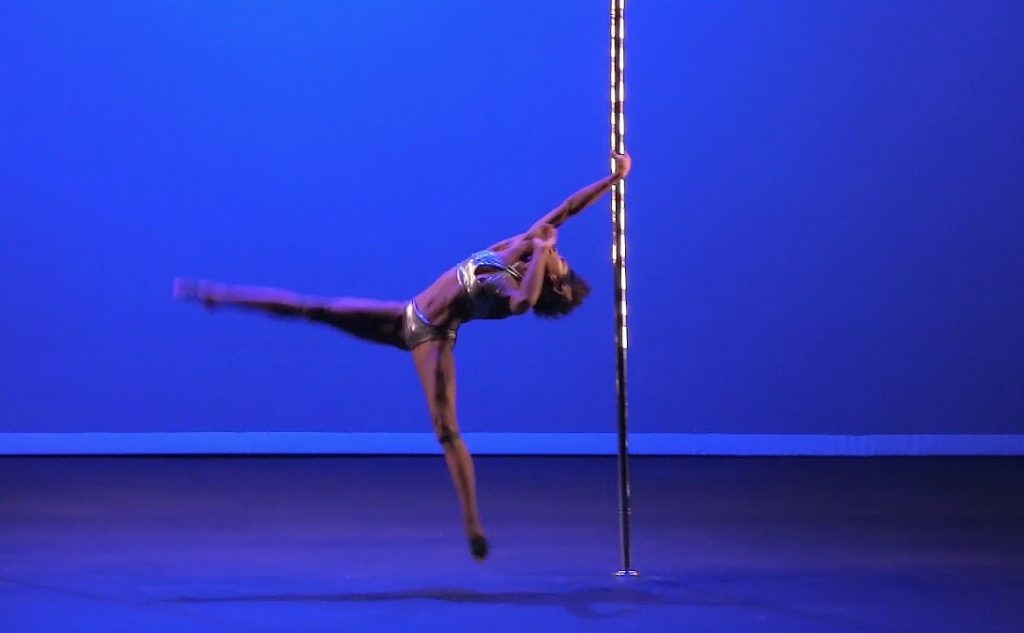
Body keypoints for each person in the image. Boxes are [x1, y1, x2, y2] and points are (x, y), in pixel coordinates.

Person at [174, 152, 633, 561]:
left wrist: (544, 254)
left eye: (563, 265)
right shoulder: (521, 245)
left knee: (447, 430)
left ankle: (473, 523)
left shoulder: (515, 285)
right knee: (314, 307)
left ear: (555, 281)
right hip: (403, 314)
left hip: (431, 338)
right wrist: (613, 179)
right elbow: (570, 209)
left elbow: (523, 303)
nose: (561, 255)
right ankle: (221, 295)